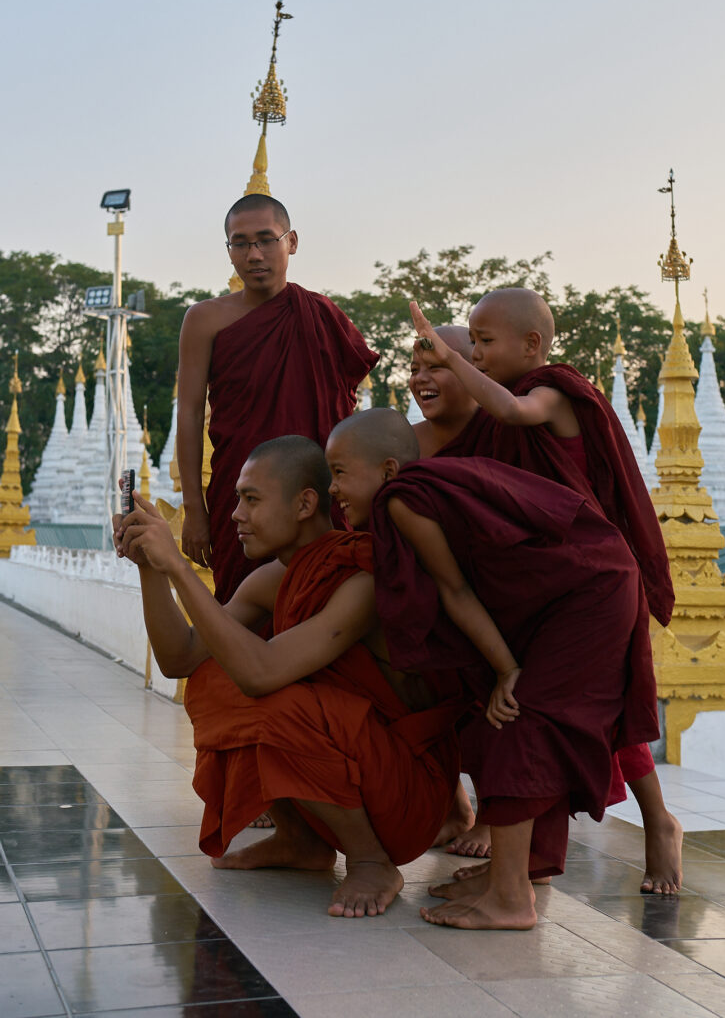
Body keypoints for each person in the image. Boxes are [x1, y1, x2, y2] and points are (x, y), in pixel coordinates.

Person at [325, 409, 652, 930]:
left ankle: (510, 897)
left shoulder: (403, 499)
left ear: (387, 470)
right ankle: (509, 874)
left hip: (592, 591)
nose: (333, 488)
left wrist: (506, 669)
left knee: (520, 721)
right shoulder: (417, 490)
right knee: (498, 717)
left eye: (340, 472)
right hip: (583, 584)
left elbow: (454, 590)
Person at [114, 435, 459, 919]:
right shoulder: (273, 578)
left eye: (251, 499)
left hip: (406, 794)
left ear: (304, 504)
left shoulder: (361, 578)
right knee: (216, 683)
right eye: (237, 499)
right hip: (356, 763)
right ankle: (301, 841)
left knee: (269, 700)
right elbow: (183, 658)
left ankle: (370, 860)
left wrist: (178, 564)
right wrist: (152, 569)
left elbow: (261, 674)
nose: (235, 514)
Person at [409, 293, 683, 895]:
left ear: (531, 345)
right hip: (529, 588)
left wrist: (458, 363)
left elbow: (511, 413)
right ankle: (514, 852)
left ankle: (657, 823)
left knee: (573, 713)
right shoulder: (437, 438)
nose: (466, 361)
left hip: (585, 578)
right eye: (420, 366)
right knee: (531, 711)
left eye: (477, 347)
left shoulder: (546, 395)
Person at [177, 194, 378, 603]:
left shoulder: (322, 316)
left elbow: (344, 414)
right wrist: (194, 509)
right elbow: (188, 414)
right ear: (229, 250)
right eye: (240, 243)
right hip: (241, 491)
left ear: (292, 242)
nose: (254, 254)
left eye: (266, 240)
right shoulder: (204, 320)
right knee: (240, 612)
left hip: (314, 495)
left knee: (320, 602)